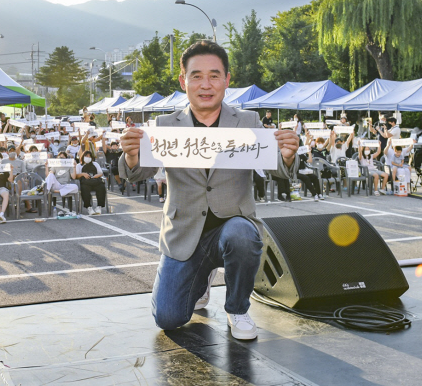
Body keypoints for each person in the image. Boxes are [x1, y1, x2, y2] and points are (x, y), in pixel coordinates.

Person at [119, 40, 299, 340]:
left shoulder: (248, 121)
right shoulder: (165, 124)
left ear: (227, 80)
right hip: (184, 233)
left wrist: (288, 155)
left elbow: (275, 169)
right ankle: (200, 279)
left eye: (214, 75)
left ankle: (237, 308)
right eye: (196, 75)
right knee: (168, 319)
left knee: (242, 234)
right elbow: (137, 174)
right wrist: (131, 155)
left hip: (233, 227)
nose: (206, 84)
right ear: (183, 80)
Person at [76, 150, 105, 215]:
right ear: (83, 157)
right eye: (86, 156)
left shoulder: (95, 164)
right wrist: (83, 174)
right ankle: (89, 207)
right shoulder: (79, 165)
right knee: (84, 188)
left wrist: (96, 176)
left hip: (95, 181)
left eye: (89, 156)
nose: (88, 158)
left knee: (101, 187)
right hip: (85, 182)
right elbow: (76, 176)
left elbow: (101, 173)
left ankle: (99, 207)